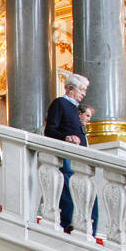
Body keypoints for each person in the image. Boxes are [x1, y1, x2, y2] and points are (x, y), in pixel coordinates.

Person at [45, 74, 90, 232]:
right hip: (66, 157)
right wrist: (66, 137)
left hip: (78, 158)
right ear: (71, 88)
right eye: (82, 90)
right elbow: (50, 130)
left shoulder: (74, 109)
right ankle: (66, 225)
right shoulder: (60, 103)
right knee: (67, 193)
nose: (84, 94)